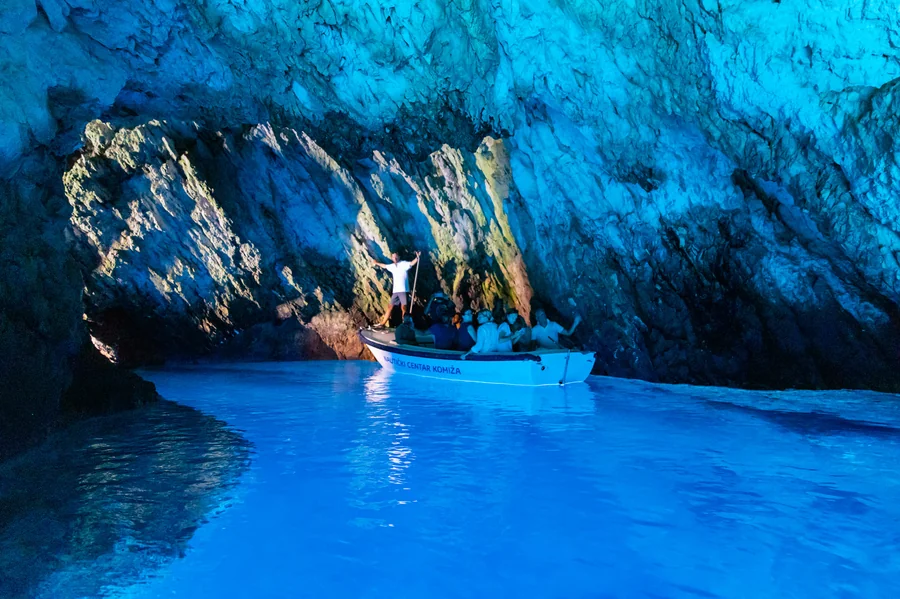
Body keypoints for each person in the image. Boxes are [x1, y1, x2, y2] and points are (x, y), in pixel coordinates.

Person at [372, 251, 420, 327]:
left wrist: (417, 258)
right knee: (390, 306)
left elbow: (411, 263)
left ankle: (405, 324)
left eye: (396, 257)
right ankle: (382, 323)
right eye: (393, 257)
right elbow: (384, 266)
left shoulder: (403, 264)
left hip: (404, 290)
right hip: (395, 291)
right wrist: (376, 263)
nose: (395, 258)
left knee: (403, 308)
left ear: (399, 257)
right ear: (392, 258)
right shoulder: (392, 266)